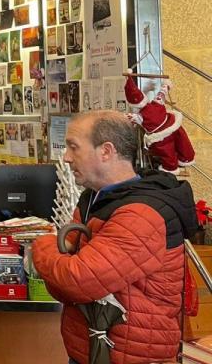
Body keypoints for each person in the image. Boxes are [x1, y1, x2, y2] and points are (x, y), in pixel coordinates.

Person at [32, 110, 199, 364]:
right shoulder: (94, 198)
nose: (66, 157)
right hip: (93, 352)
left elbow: (76, 280)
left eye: (73, 147)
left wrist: (41, 247)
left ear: (106, 151)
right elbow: (66, 285)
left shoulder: (141, 214)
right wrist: (61, 265)